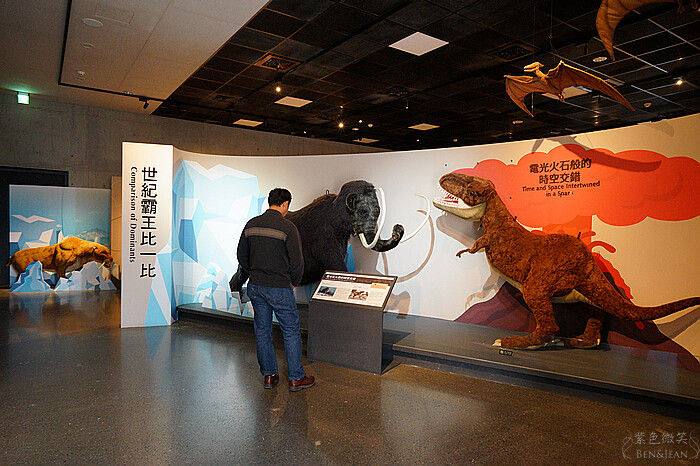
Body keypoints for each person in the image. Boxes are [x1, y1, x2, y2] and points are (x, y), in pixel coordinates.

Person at [236, 187, 315, 392]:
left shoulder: (251, 224)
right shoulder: (288, 228)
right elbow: (297, 261)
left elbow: (241, 255)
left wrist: (254, 271)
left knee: (262, 331)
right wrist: (294, 282)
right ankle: (296, 378)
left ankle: (269, 376)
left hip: (256, 286)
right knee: (290, 331)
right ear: (285, 204)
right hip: (279, 287)